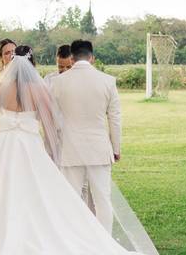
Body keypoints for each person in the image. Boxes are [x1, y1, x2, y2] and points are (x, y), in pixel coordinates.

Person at [0, 44, 156, 255]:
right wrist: (46, 141)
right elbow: (51, 121)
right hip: (30, 144)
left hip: (4, 145)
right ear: (31, 64)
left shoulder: (2, 86)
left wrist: (1, 130)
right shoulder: (38, 89)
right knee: (38, 190)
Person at [51, 39, 122, 233]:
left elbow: (53, 119)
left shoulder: (57, 82)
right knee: (102, 200)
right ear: (92, 58)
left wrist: (55, 147)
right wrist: (116, 149)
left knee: (71, 200)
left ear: (72, 58)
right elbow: (115, 118)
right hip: (99, 149)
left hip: (70, 149)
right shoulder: (108, 81)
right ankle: (104, 245)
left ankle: (75, 242)